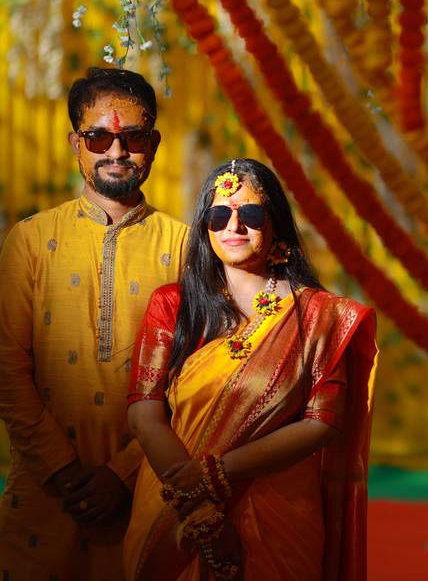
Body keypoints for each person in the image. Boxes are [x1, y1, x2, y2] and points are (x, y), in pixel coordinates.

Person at [123, 158, 377, 580]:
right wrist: (199, 504)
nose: (233, 227)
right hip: (175, 509)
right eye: (219, 214)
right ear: (205, 227)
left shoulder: (317, 315)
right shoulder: (174, 305)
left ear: (276, 224)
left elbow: (323, 423)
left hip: (278, 509)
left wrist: (215, 475)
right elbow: (142, 412)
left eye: (252, 215)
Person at [0, 67, 189, 580]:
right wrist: (65, 471)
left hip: (148, 486)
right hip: (44, 490)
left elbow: (194, 378)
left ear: (155, 144)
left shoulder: (187, 247)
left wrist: (121, 475)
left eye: (133, 137)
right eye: (99, 136)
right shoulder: (30, 240)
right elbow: (7, 374)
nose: (116, 152)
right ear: (76, 143)